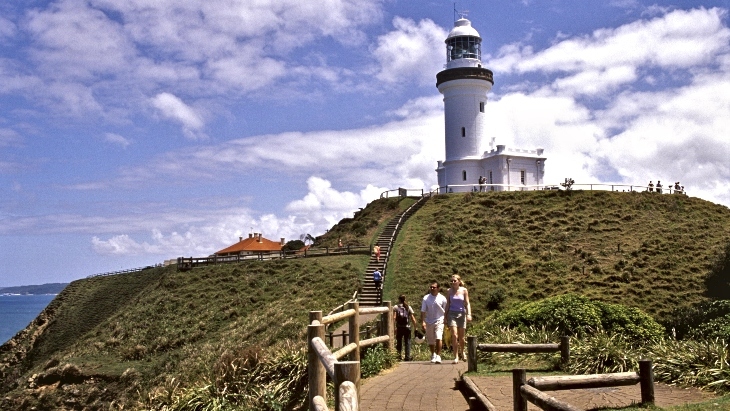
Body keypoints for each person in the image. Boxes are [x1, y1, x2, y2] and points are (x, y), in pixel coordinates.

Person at [444, 275, 472, 363]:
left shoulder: (464, 290)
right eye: (451, 281)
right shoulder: (449, 291)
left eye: (454, 281)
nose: (453, 282)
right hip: (452, 314)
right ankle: (455, 356)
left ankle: (462, 352)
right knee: (454, 335)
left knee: (461, 337)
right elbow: (448, 304)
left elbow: (467, 303)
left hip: (462, 314)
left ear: (459, 281)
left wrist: (469, 314)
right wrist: (445, 316)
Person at [421, 281, 447, 364]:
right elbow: (423, 311)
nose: (432, 288)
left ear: (438, 288)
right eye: (431, 287)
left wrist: (446, 319)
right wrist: (423, 322)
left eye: (434, 287)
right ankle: (433, 354)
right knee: (431, 340)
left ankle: (438, 355)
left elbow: (446, 310)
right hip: (429, 321)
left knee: (439, 337)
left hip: (439, 320)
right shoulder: (426, 298)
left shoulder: (442, 298)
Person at [393, 294, 418, 361]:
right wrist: (416, 327)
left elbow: (394, 318)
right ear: (405, 299)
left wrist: (394, 327)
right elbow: (413, 319)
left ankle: (398, 357)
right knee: (407, 342)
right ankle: (407, 357)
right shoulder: (408, 307)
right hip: (407, 327)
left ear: (399, 299)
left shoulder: (396, 307)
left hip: (399, 327)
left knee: (399, 342)